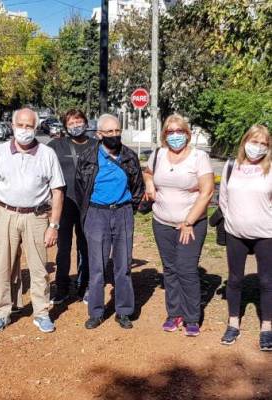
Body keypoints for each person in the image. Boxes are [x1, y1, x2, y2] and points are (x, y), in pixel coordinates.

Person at [0, 108, 65, 333]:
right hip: (6, 215)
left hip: (37, 216)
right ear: (12, 126)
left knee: (39, 267)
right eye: (21, 125)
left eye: (29, 126)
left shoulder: (47, 154)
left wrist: (54, 226)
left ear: (36, 127)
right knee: (2, 266)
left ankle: (41, 313)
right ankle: (1, 312)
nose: (25, 130)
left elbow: (57, 191)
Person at [144, 114, 214, 337]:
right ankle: (174, 314)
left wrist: (188, 221)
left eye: (179, 131)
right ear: (164, 135)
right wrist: (149, 186)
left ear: (187, 133)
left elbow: (207, 192)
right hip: (161, 222)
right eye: (170, 132)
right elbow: (148, 173)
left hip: (191, 224)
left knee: (186, 269)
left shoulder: (199, 157)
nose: (175, 136)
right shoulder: (158, 154)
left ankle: (192, 317)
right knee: (170, 269)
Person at [76, 114, 144, 330]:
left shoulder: (129, 156)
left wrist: (127, 208)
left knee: (123, 266)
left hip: (123, 213)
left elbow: (137, 187)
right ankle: (96, 312)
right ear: (99, 134)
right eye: (109, 132)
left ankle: (124, 311)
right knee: (97, 267)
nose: (114, 135)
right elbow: (80, 188)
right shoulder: (88, 157)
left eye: (117, 131)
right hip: (97, 214)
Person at [219, 125, 272, 349]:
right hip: (235, 233)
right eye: (254, 141)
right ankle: (233, 324)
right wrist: (231, 221)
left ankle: (267, 328)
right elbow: (223, 198)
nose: (257, 147)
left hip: (266, 234)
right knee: (235, 279)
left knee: (267, 281)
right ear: (245, 142)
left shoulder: (270, 169)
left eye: (263, 144)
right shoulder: (232, 166)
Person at [48, 109, 95, 304]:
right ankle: (62, 287)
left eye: (79, 121)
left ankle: (85, 285)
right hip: (64, 204)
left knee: (86, 247)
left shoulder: (96, 145)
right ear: (65, 126)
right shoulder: (56, 146)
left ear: (86, 122)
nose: (76, 126)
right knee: (63, 248)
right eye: (71, 123)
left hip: (89, 205)